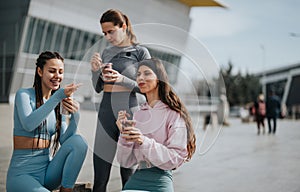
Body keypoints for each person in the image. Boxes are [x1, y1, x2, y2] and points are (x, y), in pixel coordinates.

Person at [6, 51, 88, 192]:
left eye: (60, 72)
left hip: (47, 173)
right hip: (22, 174)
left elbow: (66, 140)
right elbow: (29, 124)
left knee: (79, 142)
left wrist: (75, 116)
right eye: (52, 71)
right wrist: (57, 98)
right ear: (40, 71)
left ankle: (66, 189)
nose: (57, 76)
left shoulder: (56, 104)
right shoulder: (24, 95)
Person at [90, 9, 151, 192]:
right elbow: (98, 88)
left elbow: (148, 87)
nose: (107, 37)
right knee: (100, 178)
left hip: (130, 113)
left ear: (123, 27)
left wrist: (122, 79)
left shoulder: (140, 52)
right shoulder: (107, 52)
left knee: (128, 176)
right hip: (105, 112)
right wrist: (95, 71)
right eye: (104, 33)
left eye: (111, 31)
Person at [116, 58, 196, 191]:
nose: (141, 78)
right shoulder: (138, 115)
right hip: (136, 179)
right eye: (138, 74)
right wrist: (125, 135)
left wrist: (143, 140)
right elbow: (125, 161)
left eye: (147, 73)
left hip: (160, 181)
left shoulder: (174, 114)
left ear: (159, 78)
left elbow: (175, 158)